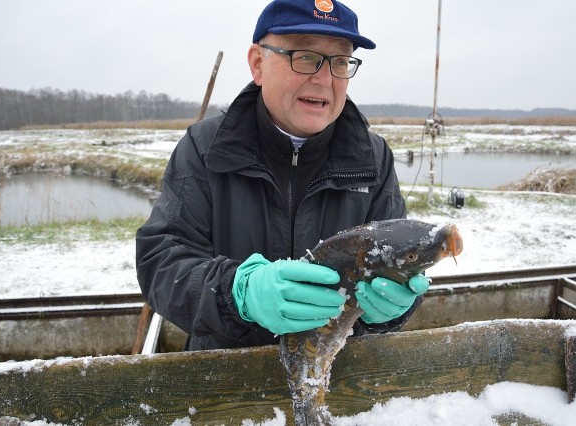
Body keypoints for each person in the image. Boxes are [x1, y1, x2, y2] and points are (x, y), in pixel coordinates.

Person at [136, 0, 429, 351]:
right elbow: (161, 262)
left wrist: (393, 307)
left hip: (335, 375)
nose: (324, 79)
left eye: (340, 62)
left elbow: (397, 261)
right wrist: (238, 293)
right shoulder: (204, 149)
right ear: (258, 65)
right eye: (305, 57)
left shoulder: (373, 157)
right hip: (222, 377)